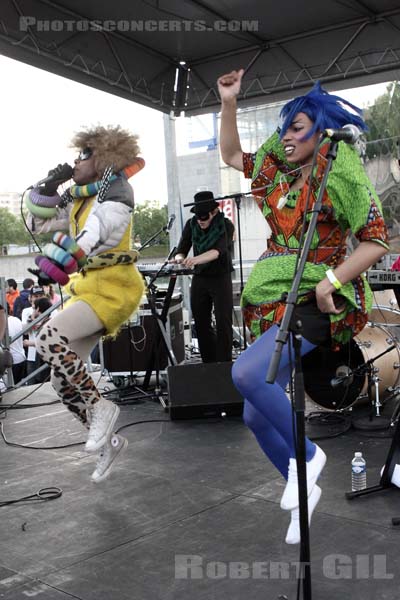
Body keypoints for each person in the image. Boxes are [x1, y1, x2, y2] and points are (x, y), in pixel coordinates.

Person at [217, 70, 389, 544]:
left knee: (247, 376)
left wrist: (330, 281)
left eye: (298, 127)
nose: (287, 135)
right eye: (285, 126)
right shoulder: (277, 172)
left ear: (322, 131)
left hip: (318, 296)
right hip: (273, 297)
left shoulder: (340, 169)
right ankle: (301, 488)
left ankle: (310, 458)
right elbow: (232, 155)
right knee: (255, 414)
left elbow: (376, 239)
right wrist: (229, 103)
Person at [24, 125, 145, 483]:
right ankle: (110, 442)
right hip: (87, 288)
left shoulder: (115, 200)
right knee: (62, 383)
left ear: (103, 158)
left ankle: (101, 406)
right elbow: (37, 225)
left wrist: (66, 257)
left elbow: (95, 231)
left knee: (48, 338)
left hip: (114, 288)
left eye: (83, 155)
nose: (76, 162)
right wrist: (47, 188)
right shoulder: (77, 199)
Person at [172, 190, 234, 363]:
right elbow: (181, 249)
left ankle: (224, 363)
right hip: (201, 277)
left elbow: (217, 252)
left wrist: (195, 260)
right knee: (200, 320)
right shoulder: (192, 224)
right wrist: (179, 260)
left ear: (214, 212)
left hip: (220, 276)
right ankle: (209, 362)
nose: (201, 221)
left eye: (204, 217)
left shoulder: (226, 225)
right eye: (198, 217)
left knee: (223, 320)